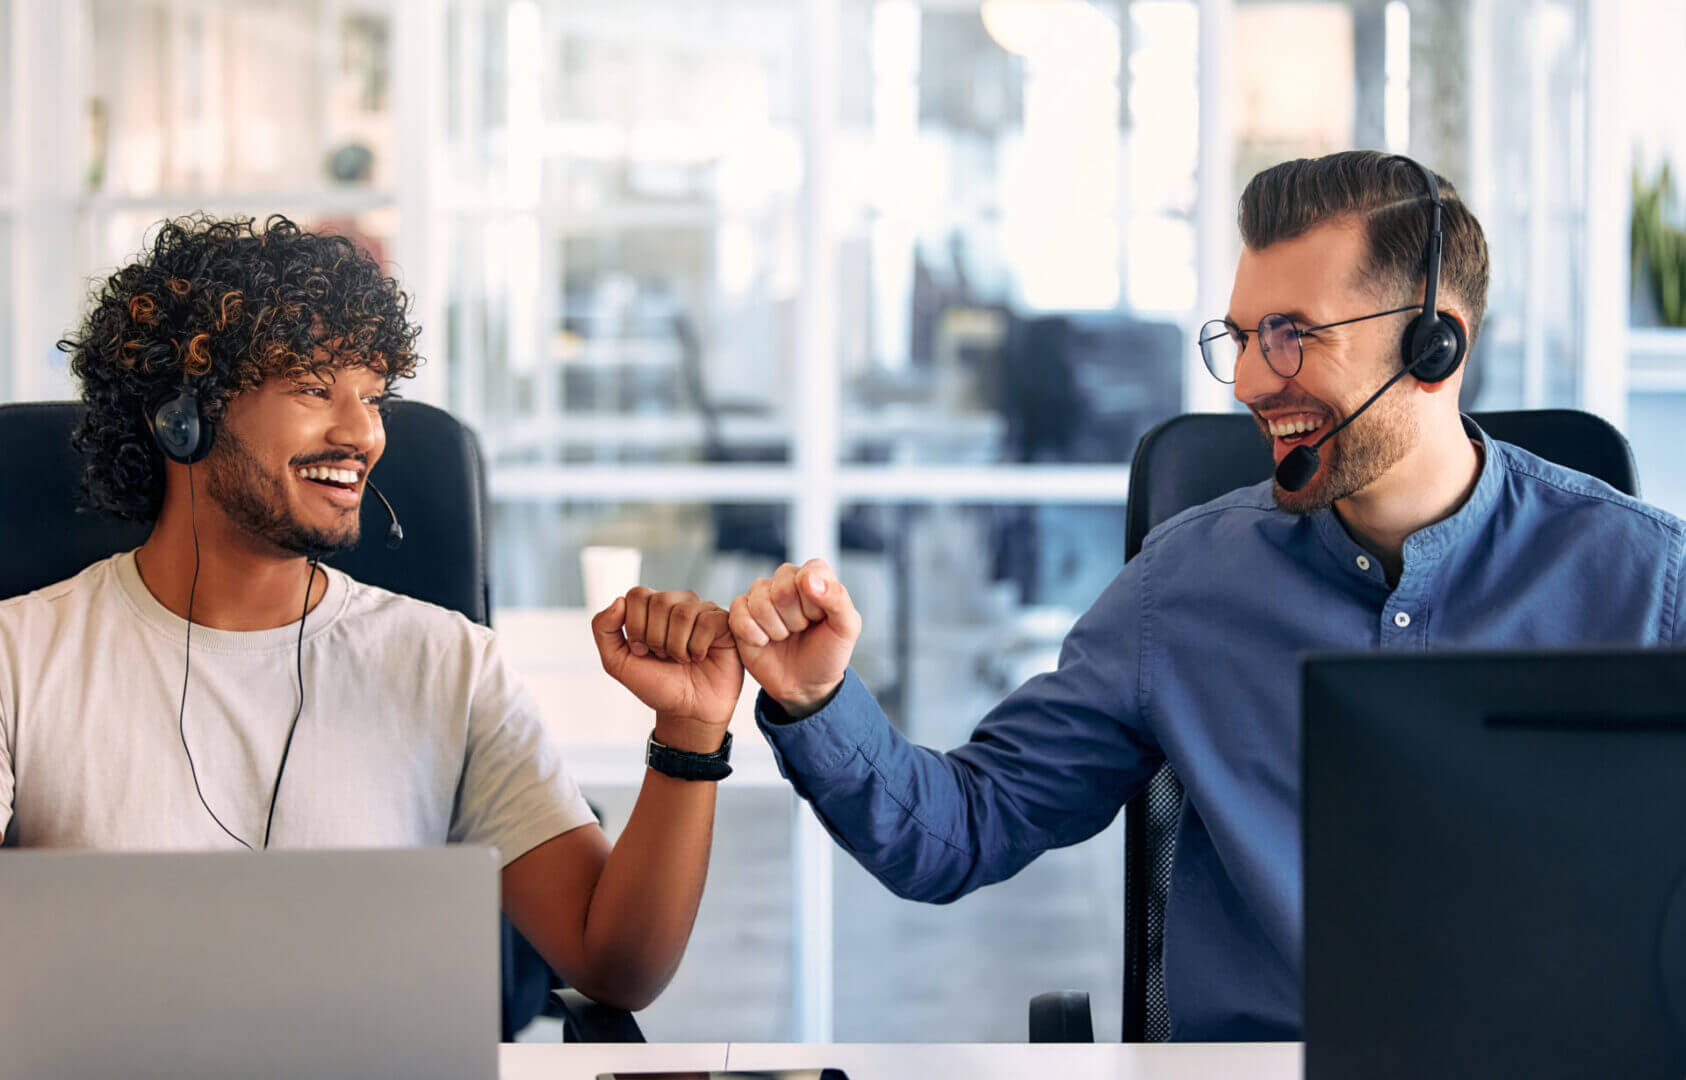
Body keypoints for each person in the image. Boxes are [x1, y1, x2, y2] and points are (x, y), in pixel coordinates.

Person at [625, 151, 1686, 1039]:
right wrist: (818, 702)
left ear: (1433, 344)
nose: (1256, 382)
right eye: (1241, 337)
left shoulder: (1647, 586)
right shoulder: (1187, 588)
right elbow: (958, 830)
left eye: (1294, 335)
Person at [0, 215, 738, 1013]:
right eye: (316, 389)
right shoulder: (20, 655)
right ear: (184, 418)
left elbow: (614, 964)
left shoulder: (449, 665)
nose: (363, 434)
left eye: (375, 397)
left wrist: (689, 739)